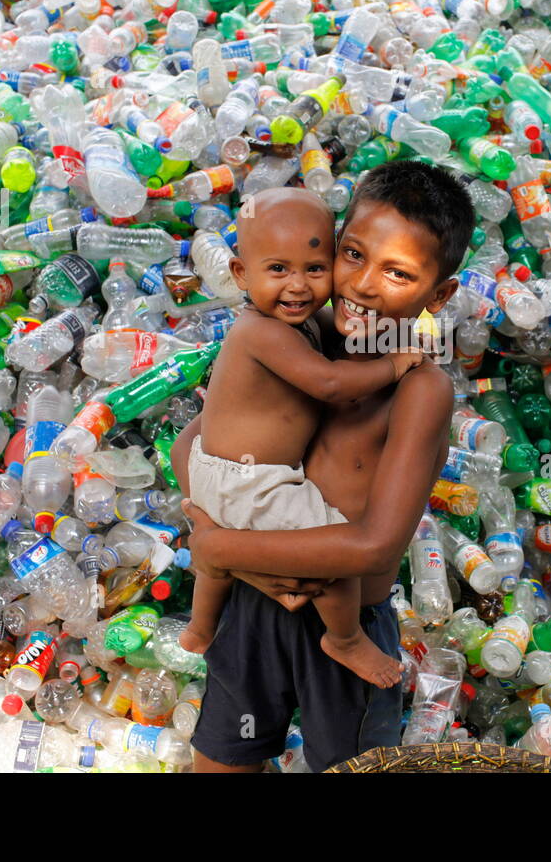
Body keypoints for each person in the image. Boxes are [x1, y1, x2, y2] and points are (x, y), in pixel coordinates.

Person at [171, 160, 475, 772]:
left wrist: (222, 545)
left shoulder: (421, 390)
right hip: (256, 606)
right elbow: (195, 442)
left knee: (350, 765)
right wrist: (234, 549)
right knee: (222, 759)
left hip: (344, 631)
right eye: (353, 255)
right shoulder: (298, 334)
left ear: (439, 296)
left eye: (398, 273)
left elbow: (370, 547)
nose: (363, 286)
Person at [180, 187, 422, 690]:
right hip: (251, 482)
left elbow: (350, 327)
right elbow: (331, 384)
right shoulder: (262, 333)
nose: (297, 287)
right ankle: (346, 638)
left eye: (314, 269)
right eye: (277, 271)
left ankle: (201, 630)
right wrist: (394, 363)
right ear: (242, 276)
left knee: (216, 566)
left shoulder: (297, 321)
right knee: (330, 555)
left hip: (220, 471)